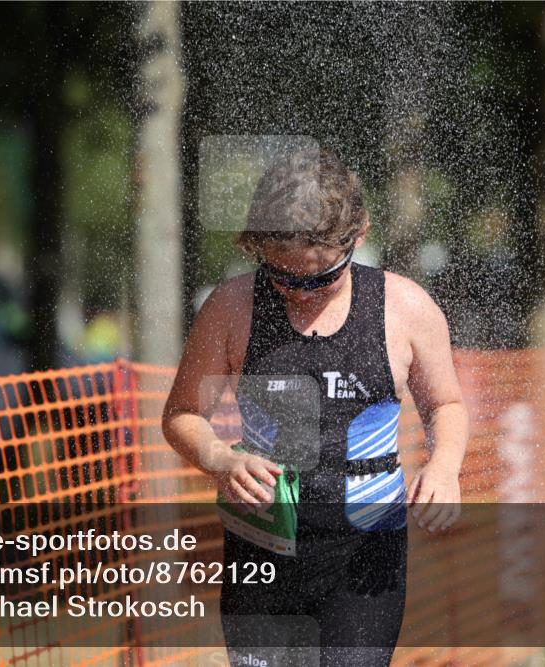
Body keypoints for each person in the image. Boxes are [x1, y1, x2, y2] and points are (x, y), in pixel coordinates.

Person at [162, 149, 468, 666]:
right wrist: (219, 459)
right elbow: (181, 415)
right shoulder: (233, 306)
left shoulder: (406, 308)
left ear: (359, 236)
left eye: (319, 278)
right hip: (263, 551)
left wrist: (444, 466)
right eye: (283, 277)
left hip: (366, 556)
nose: (300, 294)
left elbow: (446, 404)